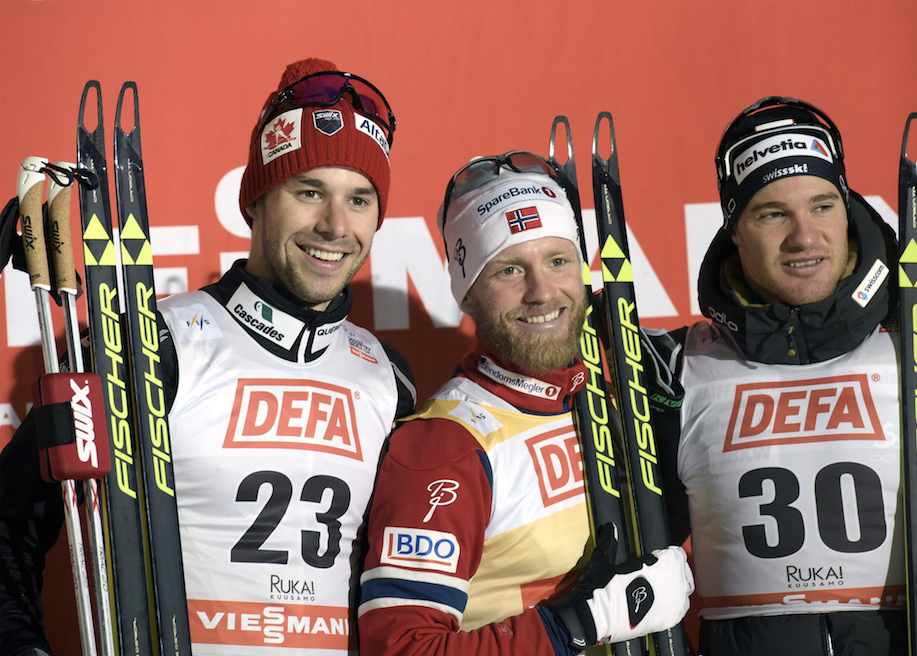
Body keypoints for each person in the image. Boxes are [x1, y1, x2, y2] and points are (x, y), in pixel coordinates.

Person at [0, 57, 416, 656]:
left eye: (360, 199)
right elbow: (8, 527)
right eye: (309, 192)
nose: (335, 225)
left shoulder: (388, 376)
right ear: (255, 202)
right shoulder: (151, 343)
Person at [642, 96, 917, 656]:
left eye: (822, 205)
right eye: (772, 213)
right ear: (734, 230)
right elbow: (633, 541)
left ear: (847, 210)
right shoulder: (681, 369)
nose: (804, 236)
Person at [356, 151, 694, 655]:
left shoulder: (624, 394)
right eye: (509, 270)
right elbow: (403, 647)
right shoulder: (446, 447)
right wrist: (577, 623)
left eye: (558, 262)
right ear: (467, 294)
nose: (542, 292)